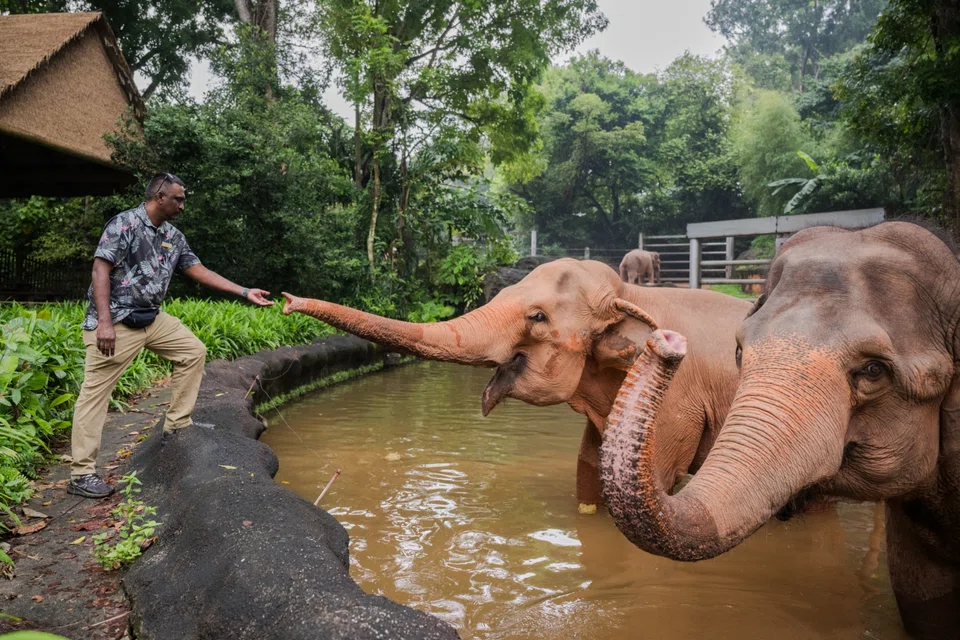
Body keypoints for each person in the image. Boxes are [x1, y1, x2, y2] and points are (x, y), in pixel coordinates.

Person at [67, 173, 273, 499]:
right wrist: (104, 323)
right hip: (116, 321)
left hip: (152, 319)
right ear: (159, 196)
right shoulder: (124, 224)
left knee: (193, 351)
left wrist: (244, 291)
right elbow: (100, 270)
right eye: (178, 199)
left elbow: (198, 270)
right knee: (95, 395)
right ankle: (81, 473)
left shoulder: (172, 236)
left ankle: (176, 426)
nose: (182, 205)